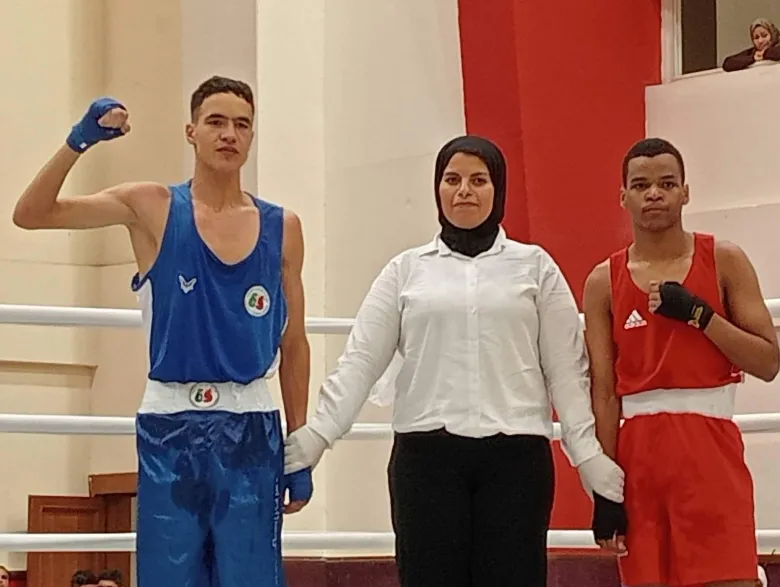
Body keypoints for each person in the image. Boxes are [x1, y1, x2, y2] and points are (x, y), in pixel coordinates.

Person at [283, 135, 625, 587]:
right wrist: (317, 436)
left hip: (516, 463)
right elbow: (360, 363)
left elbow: (567, 373)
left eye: (478, 180)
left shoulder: (536, 267)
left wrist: (589, 457)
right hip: (426, 463)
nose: (465, 190)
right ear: (438, 189)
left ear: (498, 188)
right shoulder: (405, 271)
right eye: (453, 179)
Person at [12, 76, 313, 587]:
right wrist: (78, 142)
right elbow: (31, 214)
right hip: (171, 427)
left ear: (251, 135)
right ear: (191, 131)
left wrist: (298, 445)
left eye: (242, 125)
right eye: (216, 122)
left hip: (252, 429)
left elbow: (294, 343)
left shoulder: (283, 227)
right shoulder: (151, 206)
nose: (229, 134)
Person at [584, 137, 779, 587]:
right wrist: (605, 488)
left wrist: (701, 316)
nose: (654, 194)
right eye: (641, 185)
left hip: (711, 449)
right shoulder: (602, 282)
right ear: (623, 196)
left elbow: (768, 362)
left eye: (667, 184)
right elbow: (604, 392)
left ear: (685, 192)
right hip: (638, 460)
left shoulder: (724, 260)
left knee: (729, 578)